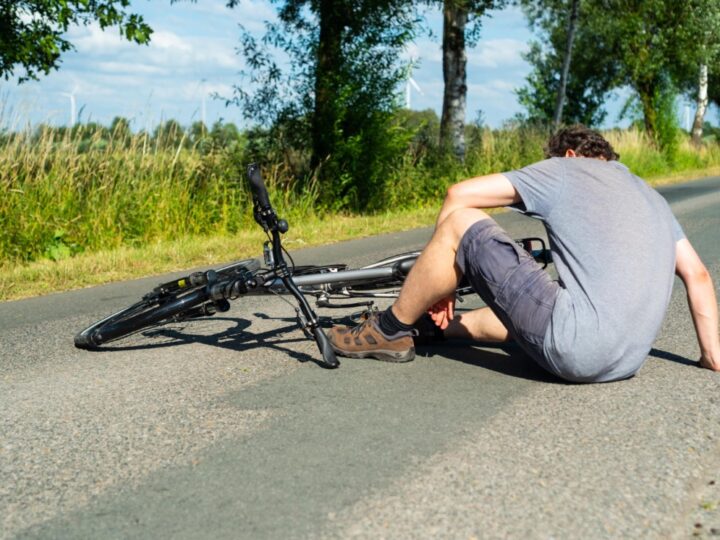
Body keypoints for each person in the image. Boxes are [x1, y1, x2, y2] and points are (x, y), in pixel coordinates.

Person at [327, 125, 720, 383]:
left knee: (462, 220)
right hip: (624, 362)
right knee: (532, 302)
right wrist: (711, 357)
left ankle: (389, 330)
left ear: (567, 155)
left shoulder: (566, 170)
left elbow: (457, 195)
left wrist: (443, 284)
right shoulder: (649, 195)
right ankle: (433, 331)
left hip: (575, 346)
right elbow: (698, 276)